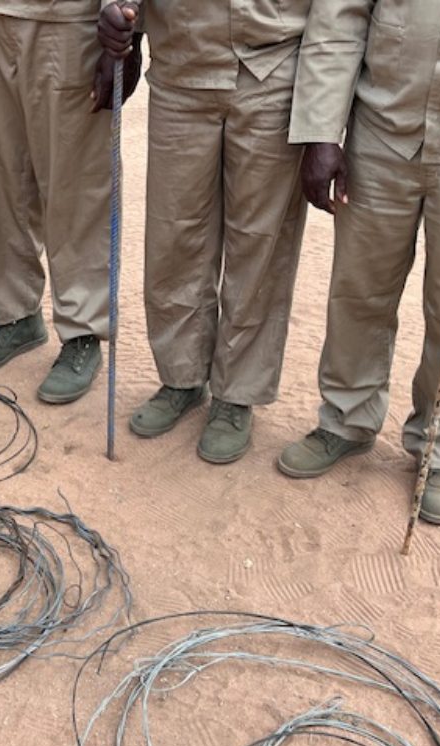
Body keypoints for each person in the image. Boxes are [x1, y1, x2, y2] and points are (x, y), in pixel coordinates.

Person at [278, 0, 440, 526]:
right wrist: (321, 131)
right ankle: (345, 417)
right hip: (382, 130)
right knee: (360, 287)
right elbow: (341, 17)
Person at [98, 0, 315, 464]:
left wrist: (324, 119)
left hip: (274, 67)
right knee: (174, 234)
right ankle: (182, 377)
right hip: (182, 63)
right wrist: (118, 13)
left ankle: (237, 394)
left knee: (259, 244)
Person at [0, 0, 141, 404]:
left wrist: (128, 35)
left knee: (76, 179)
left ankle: (83, 331)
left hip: (66, 19)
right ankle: (14, 315)